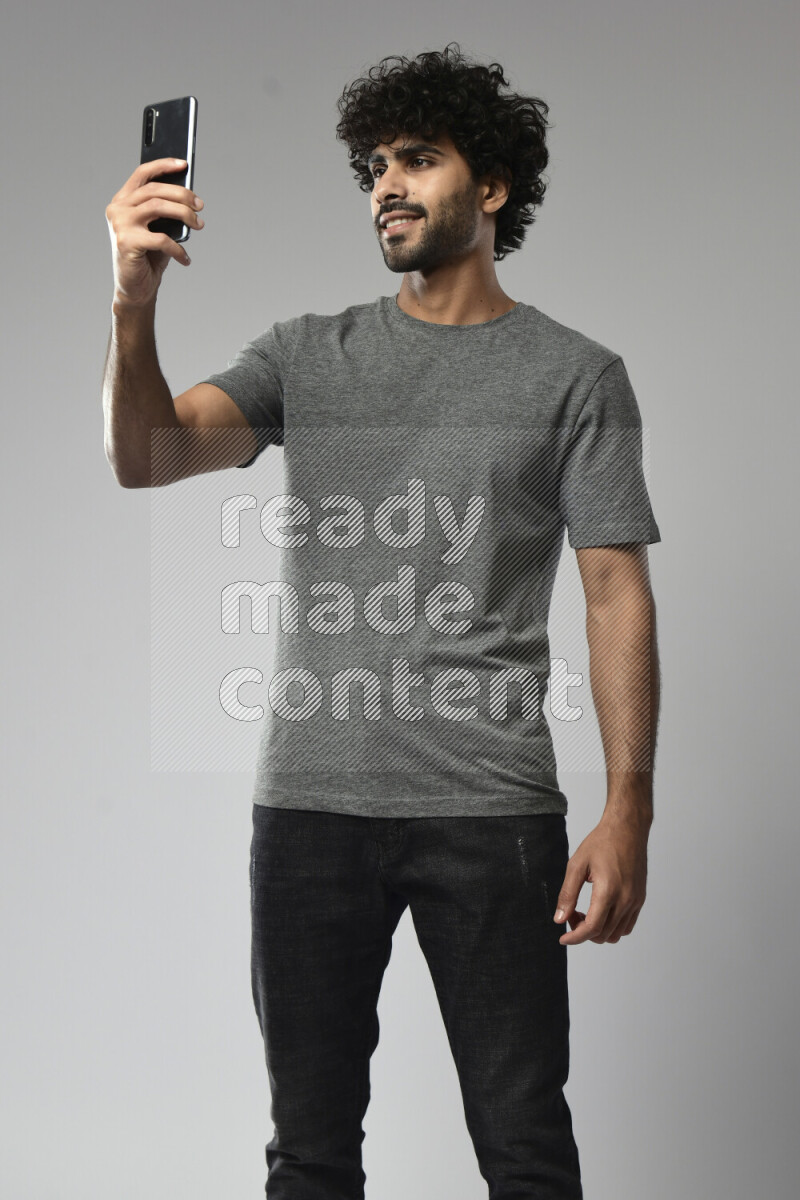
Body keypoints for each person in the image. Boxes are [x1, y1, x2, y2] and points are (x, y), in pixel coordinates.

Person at [103, 41, 661, 1200]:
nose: (385, 186)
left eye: (417, 158)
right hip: (309, 810)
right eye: (372, 166)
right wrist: (132, 299)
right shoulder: (307, 355)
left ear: (491, 188)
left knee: (522, 1151)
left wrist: (626, 815)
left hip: (491, 813)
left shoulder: (576, 377)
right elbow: (146, 457)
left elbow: (615, 593)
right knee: (308, 1158)